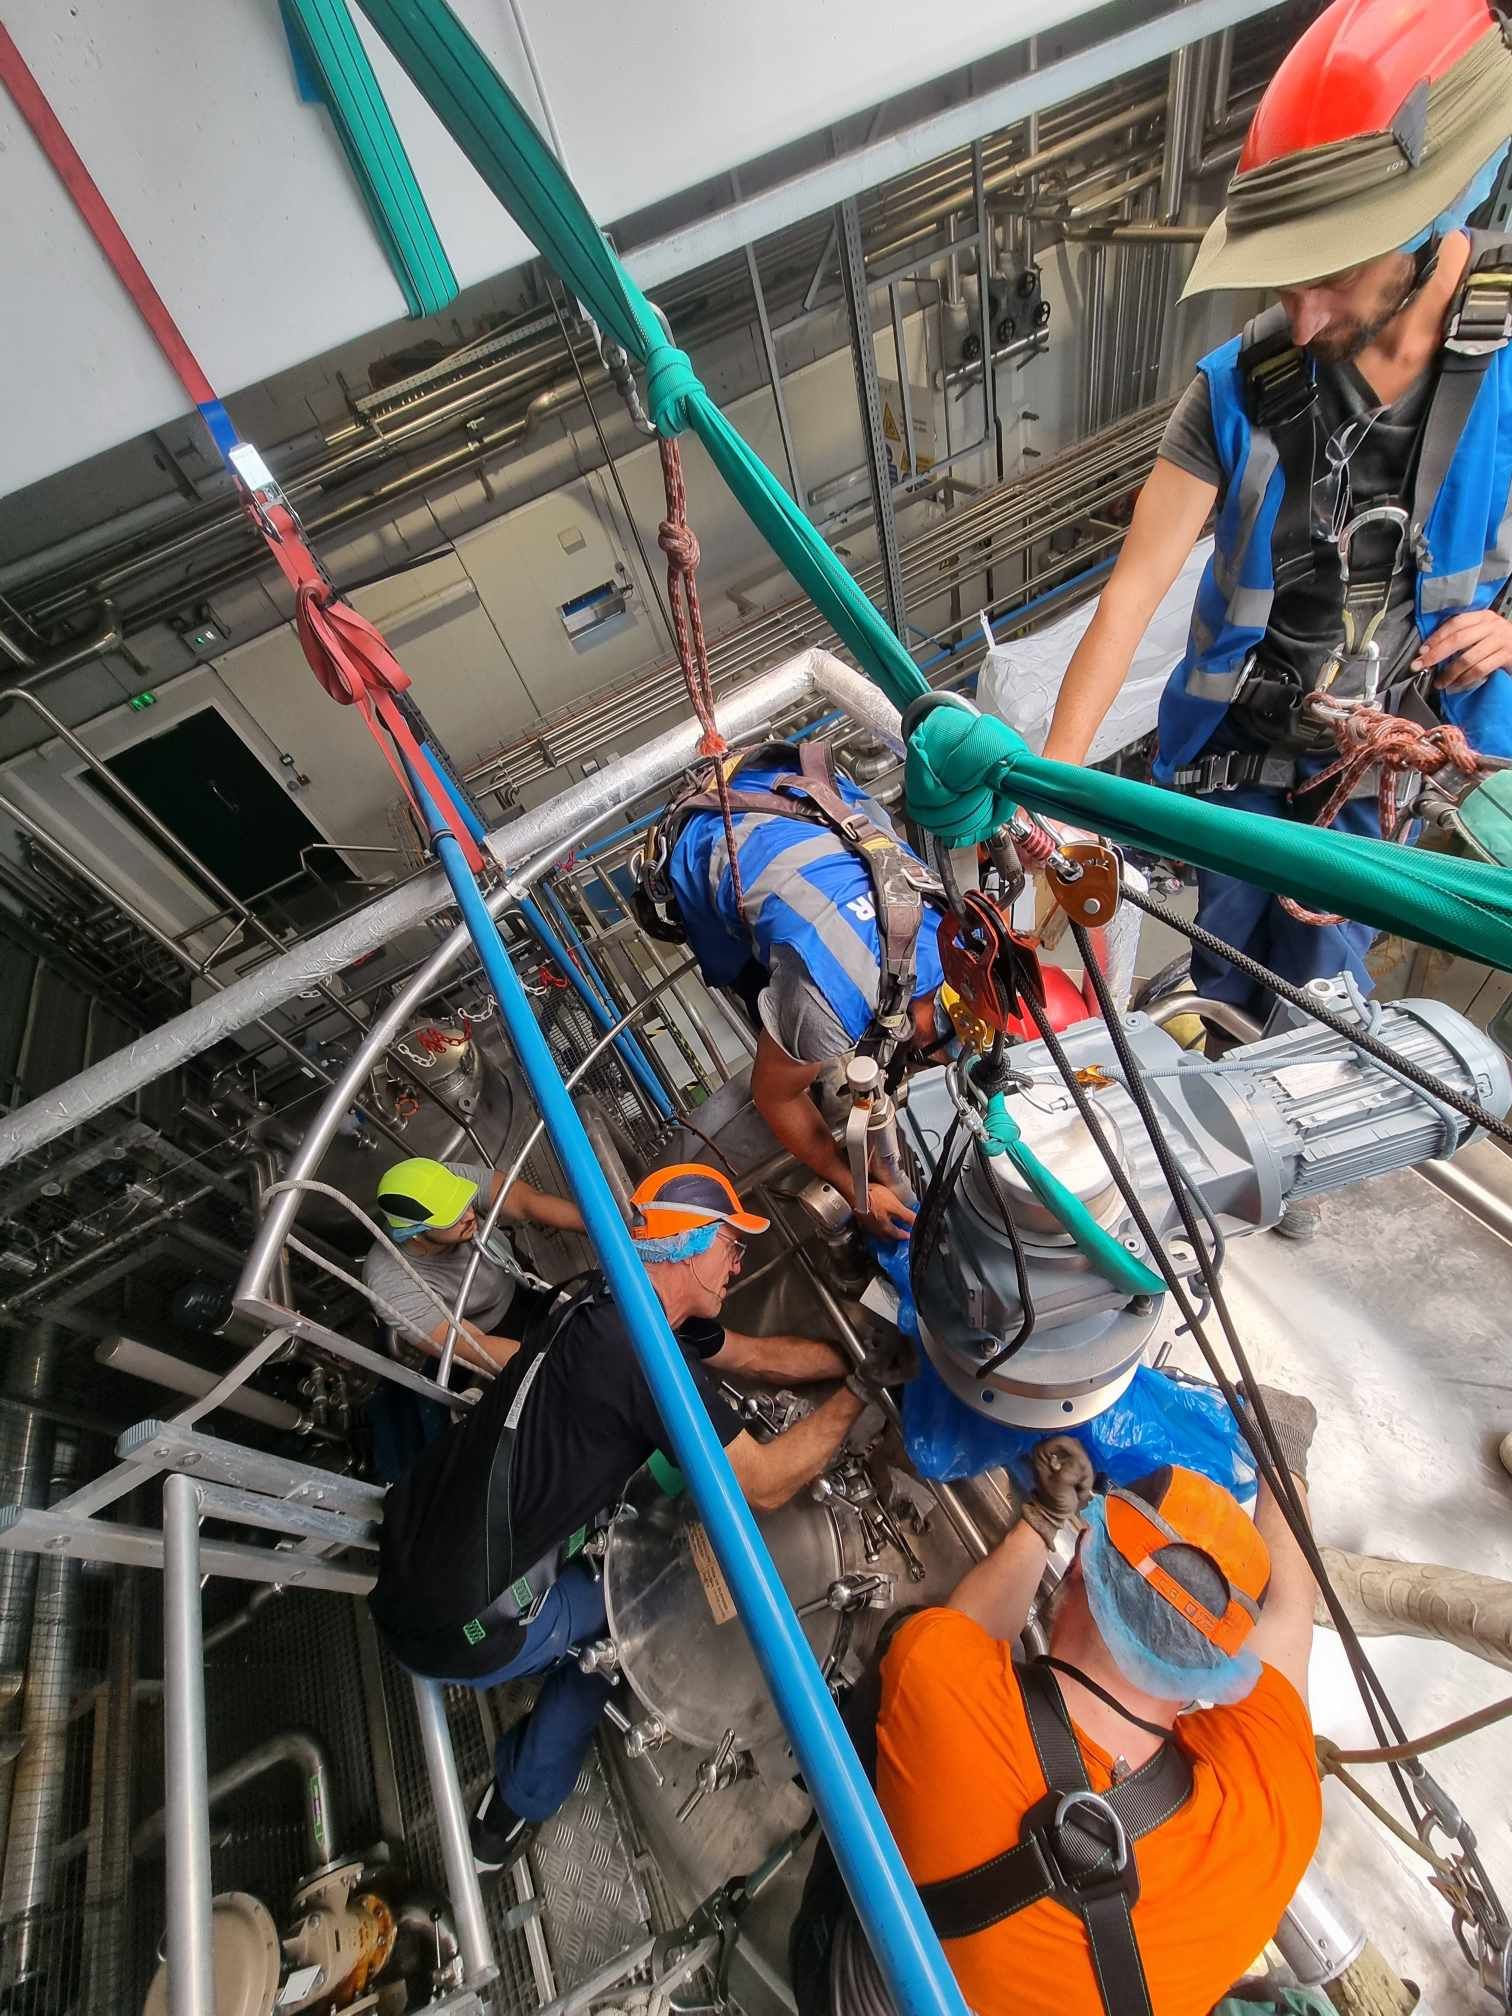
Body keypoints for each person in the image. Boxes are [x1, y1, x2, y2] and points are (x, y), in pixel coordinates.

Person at [1038, 0, 1512, 1043]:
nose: (1301, 318)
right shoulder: (1233, 391)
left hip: (1389, 760)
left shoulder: (1509, 356)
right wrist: (1053, 799)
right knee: (1230, 958)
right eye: (1287, 283)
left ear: (1430, 230)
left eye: (1332, 278)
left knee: (1325, 996)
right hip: (1244, 754)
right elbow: (1127, 601)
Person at [368, 1162, 874, 1874]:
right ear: (687, 1245)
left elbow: (757, 1358)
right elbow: (761, 1486)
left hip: (412, 1545)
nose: (740, 1261)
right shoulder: (641, 1355)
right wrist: (861, 1396)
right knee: (631, 1614)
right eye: (732, 1245)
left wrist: (858, 1352)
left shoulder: (603, 1303)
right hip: (457, 1623)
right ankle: (518, 1803)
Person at [794, 1394, 1322, 2016]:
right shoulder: (1277, 1818)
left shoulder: (938, 1688)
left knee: (899, 1652)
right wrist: (1281, 1457)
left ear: (1080, 1569)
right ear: (1221, 1668)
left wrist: (1042, 1516)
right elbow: (1290, 1618)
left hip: (851, 1992)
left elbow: (959, 1633)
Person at [637, 739, 951, 1239]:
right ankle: (786, 1033)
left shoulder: (959, 922)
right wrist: (851, 1186)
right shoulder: (835, 1000)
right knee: (752, 979)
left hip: (794, 787)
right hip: (710, 831)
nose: (940, 1063)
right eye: (940, 1056)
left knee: (874, 827)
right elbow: (773, 1096)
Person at [364, 1155, 585, 1374]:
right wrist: (565, 1369)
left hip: (512, 1269)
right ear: (415, 1235)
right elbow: (474, 1346)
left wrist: (600, 1228)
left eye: (464, 1202)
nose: (470, 1215)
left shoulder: (443, 1181)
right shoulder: (390, 1282)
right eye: (452, 1217)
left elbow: (527, 1201)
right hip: (496, 1329)